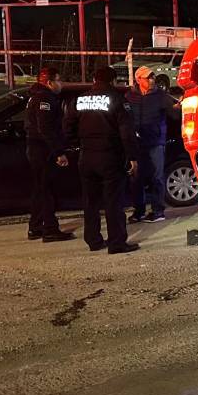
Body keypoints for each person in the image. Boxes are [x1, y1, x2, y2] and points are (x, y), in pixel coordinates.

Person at [63, 65, 140, 254]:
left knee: (90, 202)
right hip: (109, 156)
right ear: (113, 81)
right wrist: (132, 156)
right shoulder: (116, 99)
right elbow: (126, 133)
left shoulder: (80, 99)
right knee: (113, 201)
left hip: (86, 156)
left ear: (94, 80)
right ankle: (116, 243)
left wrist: (78, 143)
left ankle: (93, 240)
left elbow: (67, 126)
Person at [24, 67, 74, 242]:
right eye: (58, 80)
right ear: (49, 82)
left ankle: (35, 227)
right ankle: (50, 229)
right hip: (42, 150)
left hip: (36, 148)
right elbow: (45, 128)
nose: (61, 84)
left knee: (40, 190)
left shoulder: (36, 96)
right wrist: (59, 152)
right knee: (47, 191)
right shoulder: (44, 98)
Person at [126, 66, 179, 223]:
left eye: (153, 77)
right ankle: (139, 211)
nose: (152, 80)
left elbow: (174, 114)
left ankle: (158, 211)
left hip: (155, 141)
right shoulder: (130, 96)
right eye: (148, 77)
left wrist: (178, 109)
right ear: (138, 80)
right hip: (137, 143)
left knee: (157, 177)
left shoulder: (161, 96)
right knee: (136, 178)